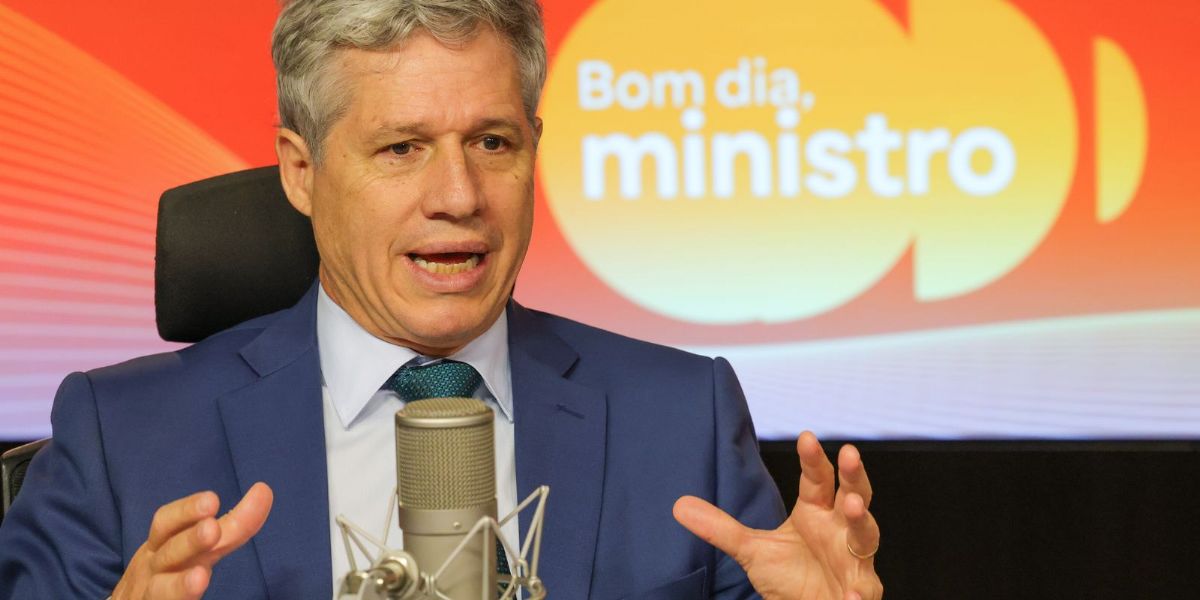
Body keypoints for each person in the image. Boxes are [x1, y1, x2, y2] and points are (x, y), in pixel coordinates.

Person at [0, 1, 883, 598]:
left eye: (492, 142)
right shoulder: (123, 438)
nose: (459, 196)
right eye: (402, 149)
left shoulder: (682, 418)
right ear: (301, 171)